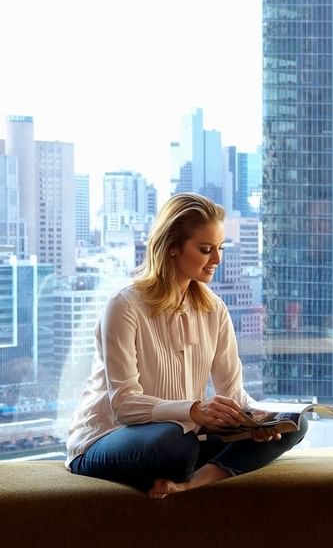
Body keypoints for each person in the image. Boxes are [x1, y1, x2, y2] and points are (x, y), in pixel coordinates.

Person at [66, 193, 306, 499]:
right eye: (206, 250)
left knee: (293, 426)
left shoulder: (214, 309)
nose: (217, 260)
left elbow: (231, 394)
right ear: (172, 249)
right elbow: (125, 405)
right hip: (107, 438)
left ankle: (192, 482)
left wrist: (257, 419)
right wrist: (194, 410)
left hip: (186, 433)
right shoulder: (124, 307)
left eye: (220, 248)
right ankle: (189, 467)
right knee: (174, 444)